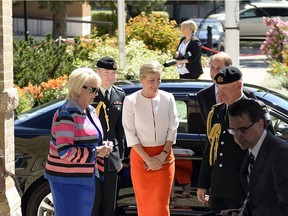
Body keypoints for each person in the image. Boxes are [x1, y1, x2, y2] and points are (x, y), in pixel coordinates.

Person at [44, 67, 113, 216]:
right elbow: (65, 151)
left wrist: (104, 147)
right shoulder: (66, 114)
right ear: (78, 88)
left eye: (97, 90)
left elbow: (92, 140)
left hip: (85, 176)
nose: (96, 94)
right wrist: (96, 152)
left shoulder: (90, 110)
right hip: (67, 179)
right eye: (92, 90)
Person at [122, 60, 179, 216]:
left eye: (159, 79)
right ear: (142, 80)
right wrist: (148, 159)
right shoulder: (130, 100)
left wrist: (162, 155)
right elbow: (129, 132)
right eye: (151, 80)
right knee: (145, 205)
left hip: (165, 157)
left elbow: (173, 128)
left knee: (161, 205)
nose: (156, 84)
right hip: (141, 158)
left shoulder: (168, 98)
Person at [222, 98, 288, 216]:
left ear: (260, 124)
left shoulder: (281, 154)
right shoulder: (252, 150)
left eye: (243, 130)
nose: (238, 136)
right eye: (233, 130)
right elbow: (260, 200)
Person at [197, 66, 248, 214]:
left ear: (239, 85)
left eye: (225, 88)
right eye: (219, 88)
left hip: (242, 188)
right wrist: (203, 183)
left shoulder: (254, 112)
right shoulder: (217, 112)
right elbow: (210, 148)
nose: (220, 93)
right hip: (218, 188)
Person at [91, 56, 126, 216]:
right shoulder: (90, 93)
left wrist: (120, 157)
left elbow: (121, 130)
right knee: (93, 201)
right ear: (97, 72)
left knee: (109, 203)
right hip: (92, 155)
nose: (111, 77)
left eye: (114, 73)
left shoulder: (119, 94)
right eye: (107, 73)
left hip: (112, 157)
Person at [197, 52, 255, 124]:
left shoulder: (247, 94)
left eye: (219, 68)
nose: (215, 72)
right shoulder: (202, 95)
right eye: (212, 68)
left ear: (228, 68)